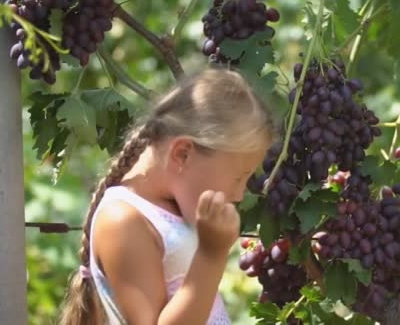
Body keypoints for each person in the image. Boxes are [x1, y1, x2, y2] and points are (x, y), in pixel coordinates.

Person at [58, 68, 277, 325]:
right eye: (238, 177)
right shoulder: (123, 221)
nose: (239, 194)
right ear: (183, 153)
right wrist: (211, 254)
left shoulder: (172, 207)